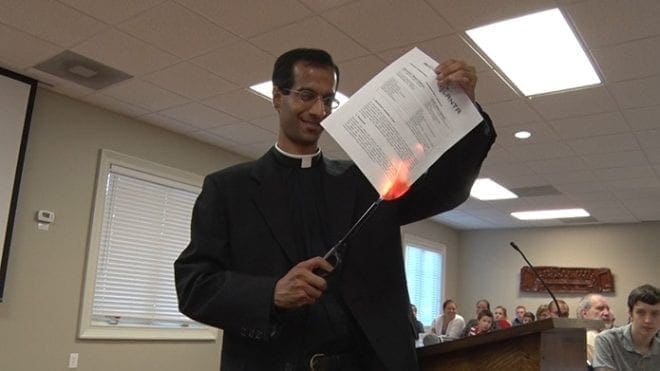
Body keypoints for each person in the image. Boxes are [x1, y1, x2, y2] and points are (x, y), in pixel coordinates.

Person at [174, 48, 496, 371]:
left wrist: (465, 110)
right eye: (306, 95)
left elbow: (445, 190)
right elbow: (194, 285)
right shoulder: (229, 190)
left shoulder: (367, 182)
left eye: (328, 99)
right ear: (276, 97)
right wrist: (271, 293)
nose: (318, 110)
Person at [593, 284, 659, 371]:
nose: (648, 320)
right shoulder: (607, 340)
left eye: (655, 314)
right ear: (630, 314)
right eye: (641, 313)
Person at [577, 293, 613, 365]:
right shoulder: (590, 336)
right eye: (600, 308)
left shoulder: (609, 334)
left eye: (607, 309)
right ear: (584, 314)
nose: (606, 313)